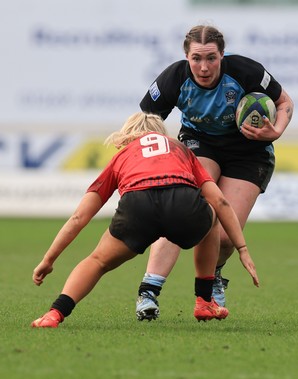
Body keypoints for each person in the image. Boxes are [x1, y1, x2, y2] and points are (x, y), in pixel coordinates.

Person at [31, 112, 259, 328]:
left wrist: (48, 259)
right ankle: (204, 300)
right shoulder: (181, 149)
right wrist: (242, 248)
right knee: (212, 216)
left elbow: (79, 217)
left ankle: (55, 313)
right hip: (182, 204)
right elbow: (221, 202)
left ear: (127, 135)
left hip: (137, 207)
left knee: (98, 261)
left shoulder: (122, 155)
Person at [135, 24, 294, 320]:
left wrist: (276, 131)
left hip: (249, 152)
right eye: (196, 58)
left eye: (211, 58)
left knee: (223, 236)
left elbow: (285, 102)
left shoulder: (245, 71)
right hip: (200, 143)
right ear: (186, 56)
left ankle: (215, 275)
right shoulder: (174, 78)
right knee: (186, 209)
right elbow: (146, 122)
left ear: (223, 55)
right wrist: (161, 153)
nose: (204, 67)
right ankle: (149, 291)